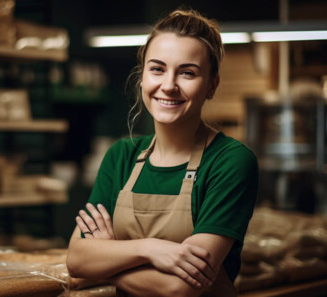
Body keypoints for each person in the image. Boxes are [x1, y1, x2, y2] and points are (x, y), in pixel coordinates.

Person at [66, 8, 258, 297]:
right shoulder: (121, 156)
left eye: (187, 73)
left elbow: (179, 288)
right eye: (157, 69)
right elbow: (77, 259)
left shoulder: (229, 161)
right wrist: (151, 249)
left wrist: (109, 257)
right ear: (142, 76)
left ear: (211, 85)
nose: (168, 86)